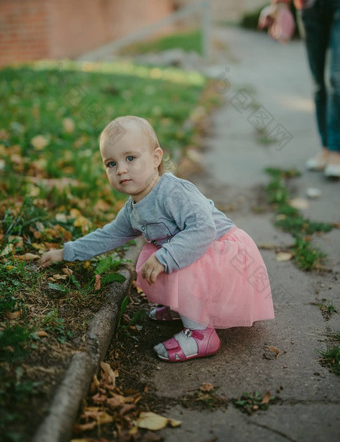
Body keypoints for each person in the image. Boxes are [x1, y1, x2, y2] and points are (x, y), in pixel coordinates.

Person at [39, 115, 274, 362]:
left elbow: (204, 230)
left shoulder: (173, 192)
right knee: (159, 256)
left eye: (130, 158)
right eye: (111, 163)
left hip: (222, 253)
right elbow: (108, 235)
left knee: (168, 257)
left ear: (155, 158)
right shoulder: (133, 209)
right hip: (197, 253)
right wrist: (66, 252)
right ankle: (182, 308)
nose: (121, 169)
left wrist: (166, 256)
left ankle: (201, 335)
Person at [259, 0, 340, 179]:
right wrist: (280, 2)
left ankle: (337, 150)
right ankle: (325, 148)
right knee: (318, 83)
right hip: (312, 7)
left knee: (336, 78)